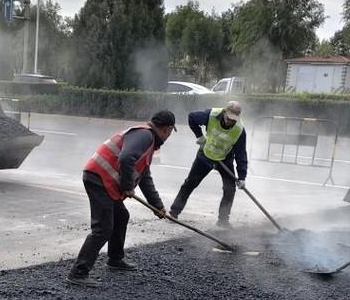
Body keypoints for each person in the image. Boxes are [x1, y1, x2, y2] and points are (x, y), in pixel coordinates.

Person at [68, 111, 174, 286]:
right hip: (99, 178)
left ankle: (115, 259)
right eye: (170, 133)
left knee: (121, 216)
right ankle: (78, 272)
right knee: (103, 228)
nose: (169, 137)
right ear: (166, 129)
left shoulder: (148, 142)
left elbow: (145, 177)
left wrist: (157, 206)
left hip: (105, 181)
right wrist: (127, 186)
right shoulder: (145, 135)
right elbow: (126, 158)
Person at [167, 101, 248, 227]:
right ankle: (174, 212)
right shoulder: (210, 115)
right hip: (205, 155)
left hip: (224, 160)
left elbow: (241, 154)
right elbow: (192, 117)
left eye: (234, 120)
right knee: (190, 183)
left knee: (230, 189)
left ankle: (223, 220)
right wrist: (199, 136)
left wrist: (242, 177)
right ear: (224, 112)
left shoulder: (239, 130)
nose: (230, 122)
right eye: (229, 118)